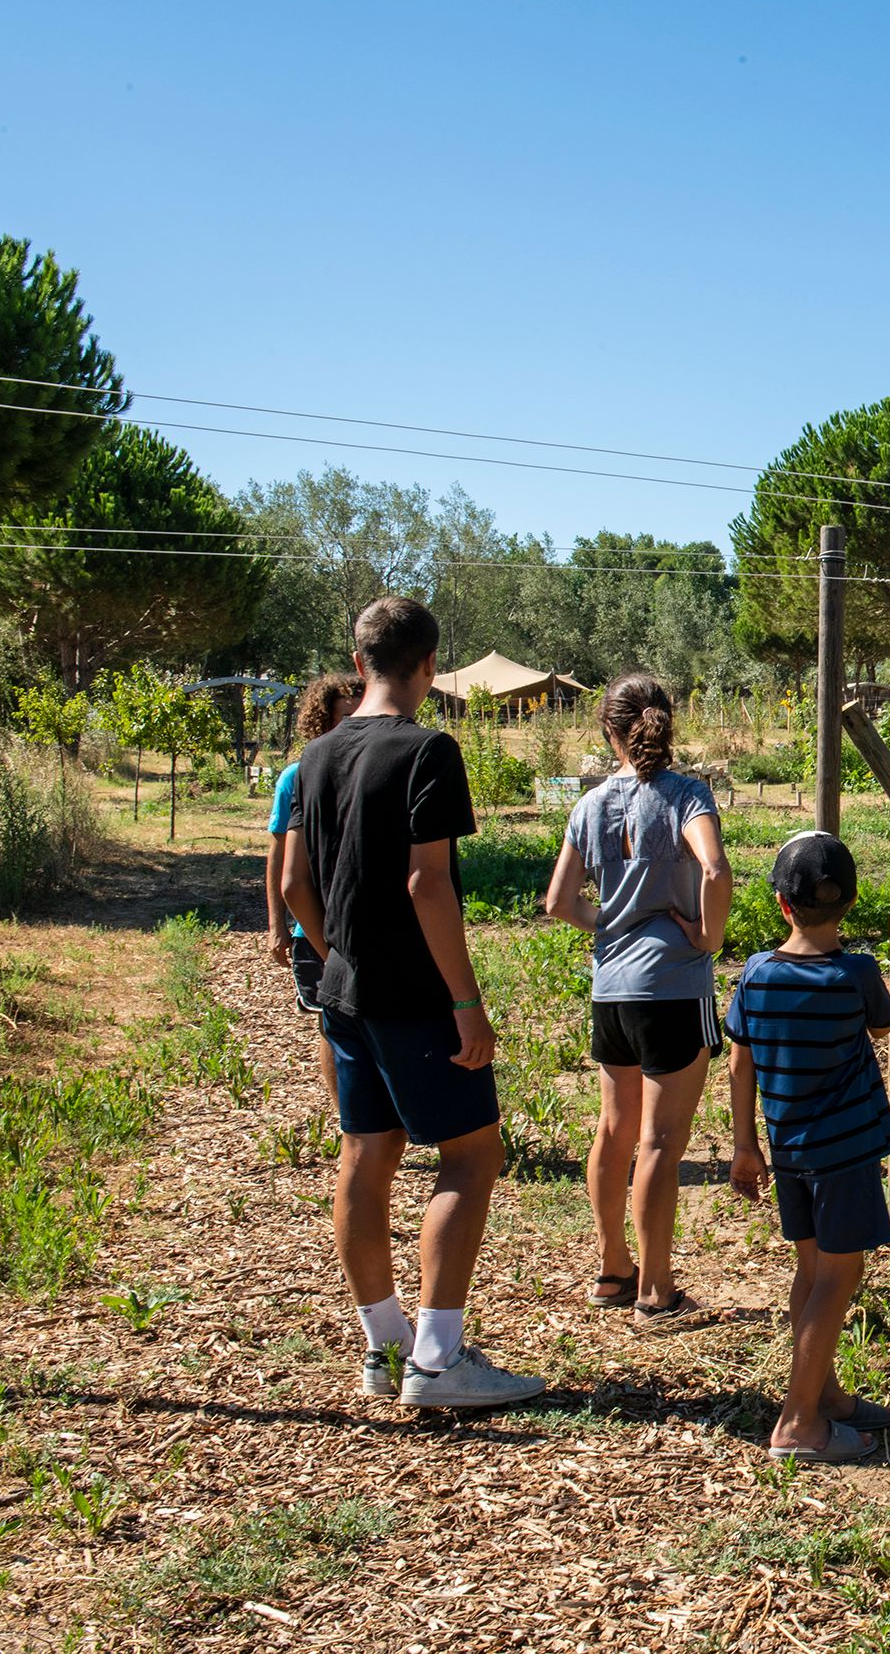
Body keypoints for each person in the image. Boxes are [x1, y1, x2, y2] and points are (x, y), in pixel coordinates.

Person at [280, 596, 544, 1410]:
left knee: (365, 1154)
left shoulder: (315, 757)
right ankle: (438, 1357)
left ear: (358, 663)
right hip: (418, 998)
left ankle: (384, 1344)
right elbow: (429, 883)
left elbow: (294, 884)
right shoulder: (430, 751)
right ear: (430, 667)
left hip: (346, 994)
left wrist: (338, 960)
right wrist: (465, 1001)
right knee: (471, 1155)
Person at [543, 674, 733, 1328]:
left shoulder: (589, 806)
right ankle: (657, 1291)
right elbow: (714, 867)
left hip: (611, 990)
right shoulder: (687, 795)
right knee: (658, 1143)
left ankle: (612, 1268)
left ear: (608, 731)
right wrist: (707, 935)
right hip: (673, 990)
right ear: (665, 725)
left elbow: (559, 902)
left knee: (613, 1129)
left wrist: (611, 924)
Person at [725, 830, 890, 1463]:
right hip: (845, 1153)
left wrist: (745, 1145)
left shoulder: (756, 974)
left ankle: (824, 1395)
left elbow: (739, 1065)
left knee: (811, 1272)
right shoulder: (854, 972)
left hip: (788, 1150)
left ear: (781, 904)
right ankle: (798, 1422)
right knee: (839, 1277)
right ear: (850, 904)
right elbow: (883, 1023)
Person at [266, 672, 363, 1100]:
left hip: (361, 923)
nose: (353, 723)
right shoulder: (296, 776)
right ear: (321, 719)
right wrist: (276, 925)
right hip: (315, 927)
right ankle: (347, 1115)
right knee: (332, 1020)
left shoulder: (371, 768)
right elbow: (280, 863)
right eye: (345, 716)